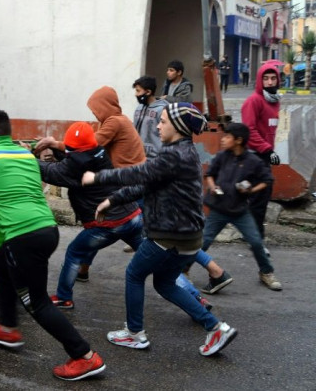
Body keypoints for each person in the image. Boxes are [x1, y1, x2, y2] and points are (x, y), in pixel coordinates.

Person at [0, 110, 106, 382]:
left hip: (23, 237)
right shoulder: (26, 155)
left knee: (37, 302)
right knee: (0, 265)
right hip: (47, 230)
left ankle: (84, 356)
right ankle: (7, 328)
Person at [81, 102, 238, 357]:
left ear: (177, 126)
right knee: (165, 284)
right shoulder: (181, 153)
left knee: (134, 274)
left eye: (163, 121)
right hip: (187, 239)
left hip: (170, 237)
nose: (157, 125)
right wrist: (113, 200)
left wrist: (97, 178)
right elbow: (146, 185)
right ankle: (215, 327)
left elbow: (138, 174)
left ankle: (134, 333)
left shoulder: (175, 155)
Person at [132, 76, 231, 295]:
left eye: (139, 90)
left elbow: (167, 140)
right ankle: (213, 274)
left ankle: (208, 280)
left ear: (148, 91)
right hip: (148, 167)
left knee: (168, 235)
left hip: (160, 169)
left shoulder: (165, 112)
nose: (137, 94)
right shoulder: (138, 112)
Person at [34, 122, 144, 309]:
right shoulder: (98, 151)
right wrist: (54, 145)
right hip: (132, 216)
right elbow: (72, 161)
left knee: (74, 252)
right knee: (157, 260)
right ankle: (193, 296)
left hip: (107, 223)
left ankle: (63, 297)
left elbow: (52, 171)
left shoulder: (74, 166)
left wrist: (22, 156)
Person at [201, 123, 282, 291]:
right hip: (218, 209)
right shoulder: (222, 156)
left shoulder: (253, 161)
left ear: (238, 140)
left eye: (227, 137)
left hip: (240, 211)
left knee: (256, 242)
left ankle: (266, 272)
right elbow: (209, 175)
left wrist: (251, 190)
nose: (223, 140)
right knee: (203, 242)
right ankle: (183, 269)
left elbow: (267, 180)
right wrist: (213, 187)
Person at [241, 63, 281, 245]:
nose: (269, 82)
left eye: (273, 78)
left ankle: (253, 234)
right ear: (259, 80)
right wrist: (267, 149)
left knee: (259, 196)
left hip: (264, 154)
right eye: (265, 78)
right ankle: (255, 237)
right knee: (259, 197)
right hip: (254, 155)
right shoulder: (254, 100)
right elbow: (249, 130)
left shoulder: (273, 100)